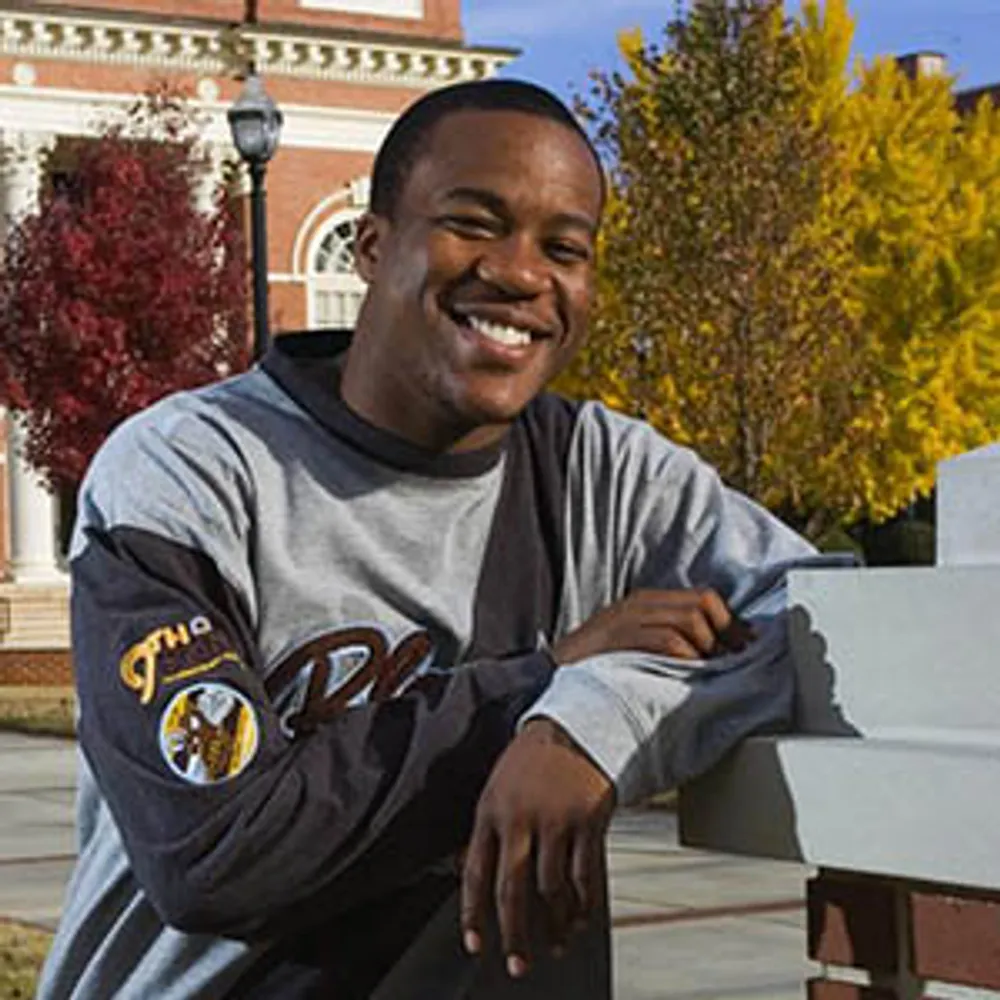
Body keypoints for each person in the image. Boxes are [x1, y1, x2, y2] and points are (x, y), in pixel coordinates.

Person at [39, 79, 830, 999]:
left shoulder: (601, 475)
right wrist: (528, 694)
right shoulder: (190, 471)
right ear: (373, 248)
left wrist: (590, 720)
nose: (522, 273)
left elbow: (825, 615)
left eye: (564, 248)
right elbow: (214, 850)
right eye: (473, 222)